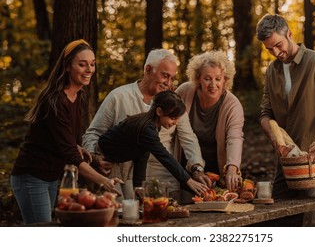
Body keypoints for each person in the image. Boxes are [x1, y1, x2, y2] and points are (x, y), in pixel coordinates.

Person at [256, 14, 315, 226]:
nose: (275, 53)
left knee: (311, 219)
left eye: (278, 45)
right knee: (279, 216)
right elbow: (265, 114)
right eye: (269, 49)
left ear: (290, 34)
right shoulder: (272, 72)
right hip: (287, 158)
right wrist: (274, 139)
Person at [10, 39, 123, 224]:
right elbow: (70, 154)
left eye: (92, 64)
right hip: (32, 175)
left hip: (53, 175)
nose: (89, 70)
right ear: (67, 66)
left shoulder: (78, 96)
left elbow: (63, 139)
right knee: (42, 234)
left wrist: (90, 156)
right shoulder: (54, 101)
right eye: (82, 64)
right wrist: (104, 181)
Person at [82, 49, 211, 201]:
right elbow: (92, 133)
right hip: (121, 180)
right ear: (148, 69)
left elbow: (188, 138)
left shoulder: (174, 103)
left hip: (165, 179)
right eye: (165, 75)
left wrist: (197, 168)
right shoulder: (119, 97)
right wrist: (96, 157)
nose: (169, 83)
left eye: (172, 78)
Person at [153, 50, 244, 193]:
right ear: (198, 78)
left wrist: (232, 167)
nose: (213, 84)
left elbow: (235, 138)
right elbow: (167, 128)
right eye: (207, 78)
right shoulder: (184, 92)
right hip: (186, 167)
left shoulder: (232, 105)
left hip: (216, 170)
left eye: (218, 79)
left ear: (225, 79)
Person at [97, 90, 208, 196]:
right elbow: (164, 157)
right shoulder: (146, 129)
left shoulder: (153, 127)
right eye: (173, 118)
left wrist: (138, 184)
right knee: (119, 204)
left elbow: (142, 154)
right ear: (159, 111)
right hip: (108, 160)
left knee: (131, 201)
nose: (176, 123)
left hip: (120, 160)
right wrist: (188, 181)